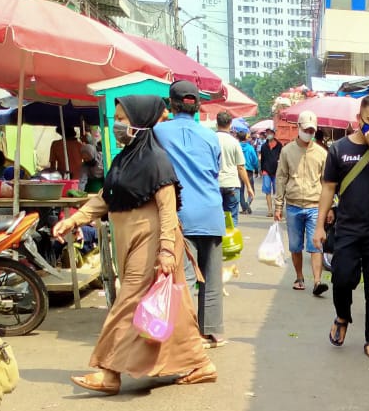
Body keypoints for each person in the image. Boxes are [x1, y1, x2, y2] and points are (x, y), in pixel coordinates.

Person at [52, 95, 216, 395]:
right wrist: (74, 220)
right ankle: (200, 363)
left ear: (140, 122)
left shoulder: (157, 161)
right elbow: (106, 197)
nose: (116, 125)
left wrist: (166, 250)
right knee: (172, 310)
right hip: (129, 242)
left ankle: (108, 372)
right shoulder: (124, 159)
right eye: (116, 119)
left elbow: (168, 210)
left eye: (122, 119)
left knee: (128, 303)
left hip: (152, 243)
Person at [313, 95, 369, 360]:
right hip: (347, 228)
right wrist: (319, 226)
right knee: (342, 279)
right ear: (358, 120)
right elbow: (328, 188)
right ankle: (342, 315)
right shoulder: (339, 149)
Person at [154, 80, 227, 349]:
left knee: (182, 279)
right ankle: (211, 332)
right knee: (211, 277)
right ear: (197, 105)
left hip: (180, 215)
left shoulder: (158, 132)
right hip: (211, 211)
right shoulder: (210, 136)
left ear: (170, 104)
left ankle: (184, 335)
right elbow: (215, 169)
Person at [274, 111, 328, 295]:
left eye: (312, 131)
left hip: (315, 205)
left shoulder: (321, 153)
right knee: (295, 246)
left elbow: (327, 183)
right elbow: (281, 177)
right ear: (298, 127)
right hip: (293, 205)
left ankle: (317, 282)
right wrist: (278, 205)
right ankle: (299, 277)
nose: (309, 133)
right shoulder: (287, 151)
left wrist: (329, 207)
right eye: (306, 130)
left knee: (316, 245)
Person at [215, 112, 254, 226]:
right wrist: (248, 187)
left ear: (217, 123)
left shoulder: (211, 139)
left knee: (216, 219)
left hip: (215, 184)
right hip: (231, 184)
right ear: (230, 124)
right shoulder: (234, 142)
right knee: (231, 220)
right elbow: (241, 167)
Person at [236, 126, 259, 215]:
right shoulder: (250, 148)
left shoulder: (236, 147)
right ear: (246, 138)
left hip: (239, 170)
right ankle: (247, 204)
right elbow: (255, 160)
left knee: (240, 190)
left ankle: (244, 207)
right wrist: (256, 169)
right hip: (249, 171)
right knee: (251, 189)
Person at [259, 129, 283, 217]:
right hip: (266, 171)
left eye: (270, 133)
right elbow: (262, 159)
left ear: (274, 134)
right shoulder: (264, 146)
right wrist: (261, 170)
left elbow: (282, 158)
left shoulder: (279, 145)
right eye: (267, 133)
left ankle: (278, 209)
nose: (268, 134)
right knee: (267, 191)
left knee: (278, 192)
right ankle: (270, 210)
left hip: (277, 171)